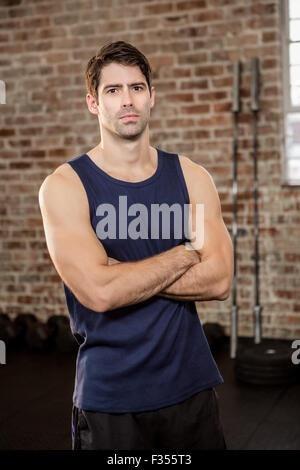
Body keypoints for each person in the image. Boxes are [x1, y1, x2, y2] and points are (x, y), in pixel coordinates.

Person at [38, 40, 234, 450]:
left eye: (137, 88)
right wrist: (186, 254)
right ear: (93, 103)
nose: (127, 100)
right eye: (113, 90)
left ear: (151, 96)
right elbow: (100, 293)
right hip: (111, 399)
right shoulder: (65, 186)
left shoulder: (192, 176)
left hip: (191, 390)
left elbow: (218, 280)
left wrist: (118, 271)